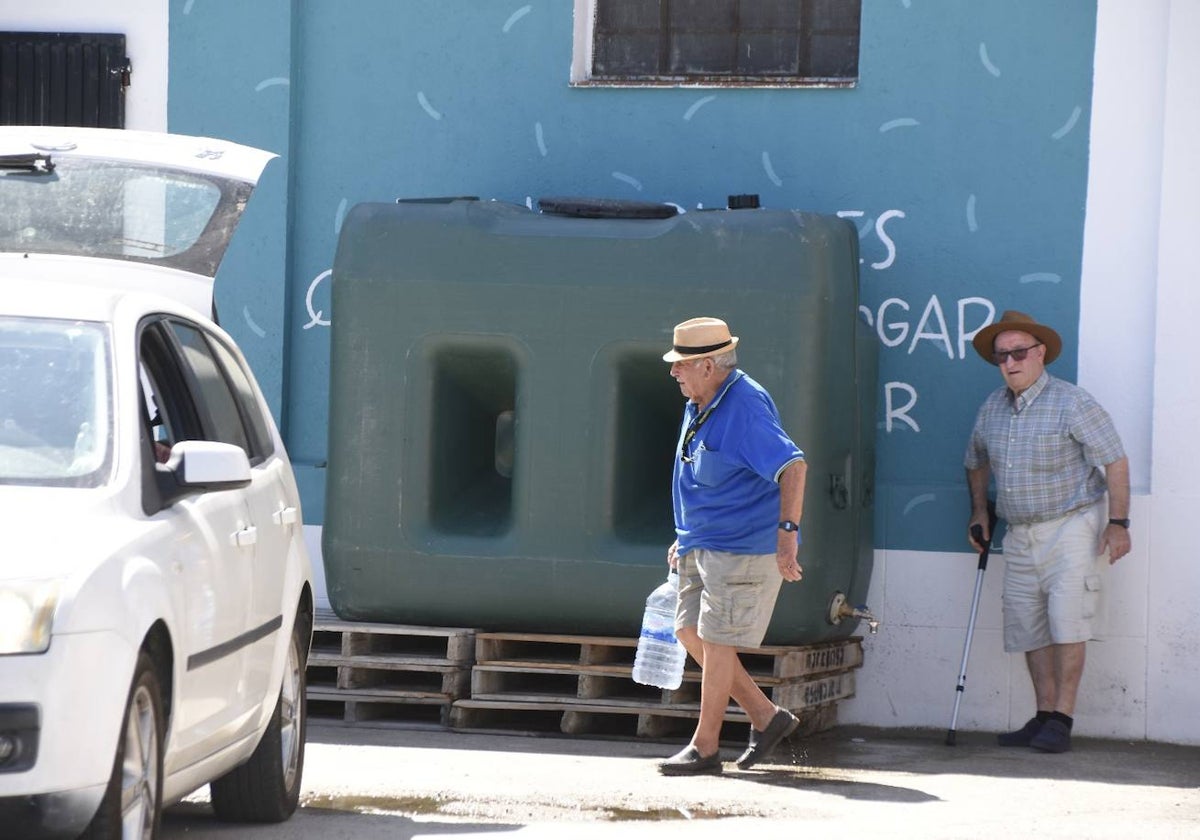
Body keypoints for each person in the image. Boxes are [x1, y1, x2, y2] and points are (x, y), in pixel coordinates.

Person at [964, 310, 1131, 753]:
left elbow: (1114, 459)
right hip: (1018, 531)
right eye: (1002, 356)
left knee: (1068, 621)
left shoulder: (1072, 402)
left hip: (1071, 525)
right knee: (1028, 626)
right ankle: (1042, 716)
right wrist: (980, 509)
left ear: (1040, 354)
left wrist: (1118, 523)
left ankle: (1062, 717)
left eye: (1019, 352)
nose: (1010, 362)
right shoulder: (992, 407)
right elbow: (975, 460)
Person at [658, 316, 807, 775]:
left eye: (681, 365)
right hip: (700, 544)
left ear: (707, 364)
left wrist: (787, 533)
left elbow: (793, 466)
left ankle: (705, 748)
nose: (673, 372)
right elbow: (700, 476)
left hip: (742, 547)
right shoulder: (700, 399)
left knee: (718, 642)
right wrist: (684, 536)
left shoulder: (744, 406)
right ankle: (766, 717)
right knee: (689, 632)